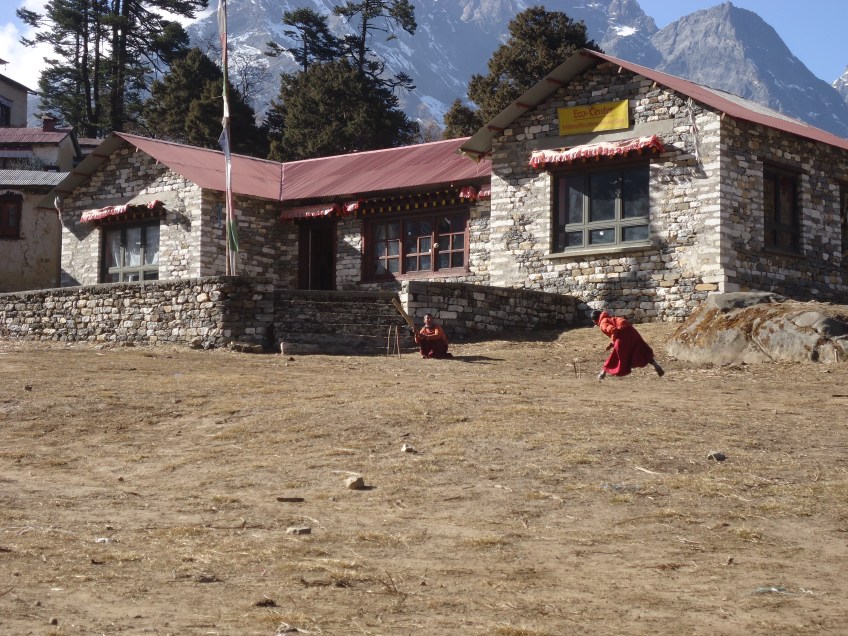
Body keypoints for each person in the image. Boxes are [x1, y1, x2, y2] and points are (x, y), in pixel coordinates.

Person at [591, 309, 664, 380]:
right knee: (641, 350)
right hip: (632, 331)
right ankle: (656, 365)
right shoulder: (608, 318)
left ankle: (602, 374)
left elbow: (613, 330)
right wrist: (612, 343)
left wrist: (613, 341)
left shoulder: (602, 323)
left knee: (615, 355)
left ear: (594, 321)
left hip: (623, 335)